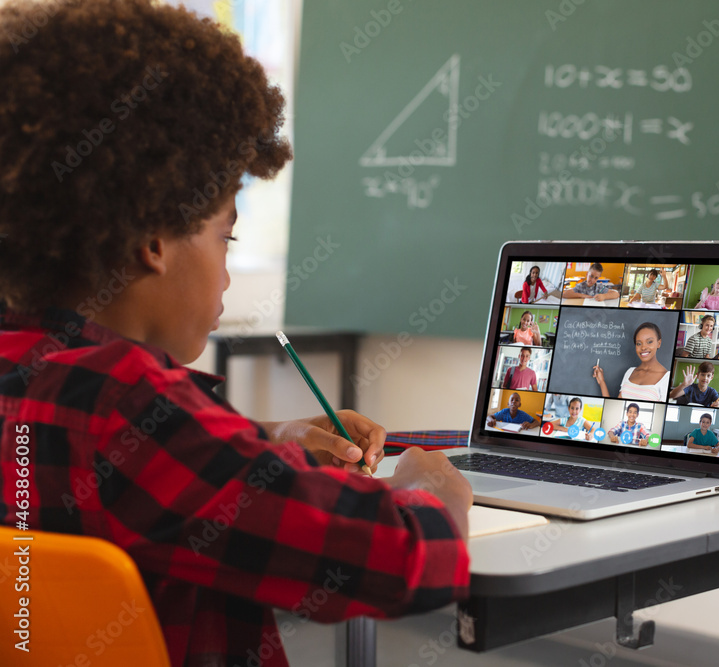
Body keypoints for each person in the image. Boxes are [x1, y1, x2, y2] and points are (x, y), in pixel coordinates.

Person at [0, 3, 472, 665]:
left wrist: (265, 441)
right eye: (227, 234)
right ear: (154, 239)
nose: (226, 267)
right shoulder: (133, 406)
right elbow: (400, 561)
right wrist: (432, 491)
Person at [593, 323, 670, 401]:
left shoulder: (666, 378)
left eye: (649, 342)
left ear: (659, 343)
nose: (643, 347)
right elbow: (615, 406)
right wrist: (601, 381)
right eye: (639, 343)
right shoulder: (630, 372)